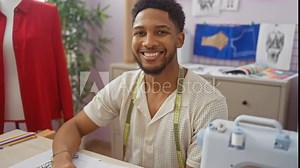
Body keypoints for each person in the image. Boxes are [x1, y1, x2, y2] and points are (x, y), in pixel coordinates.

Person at [51, 0, 228, 167]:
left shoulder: (209, 103)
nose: (148, 42)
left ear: (179, 39)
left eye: (161, 32)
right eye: (140, 33)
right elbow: (74, 126)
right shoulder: (124, 85)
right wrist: (61, 158)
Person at [0, 0, 73, 133]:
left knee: (41, 151)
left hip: (39, 105)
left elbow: (60, 66)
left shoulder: (46, 13)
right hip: (5, 108)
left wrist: (69, 118)